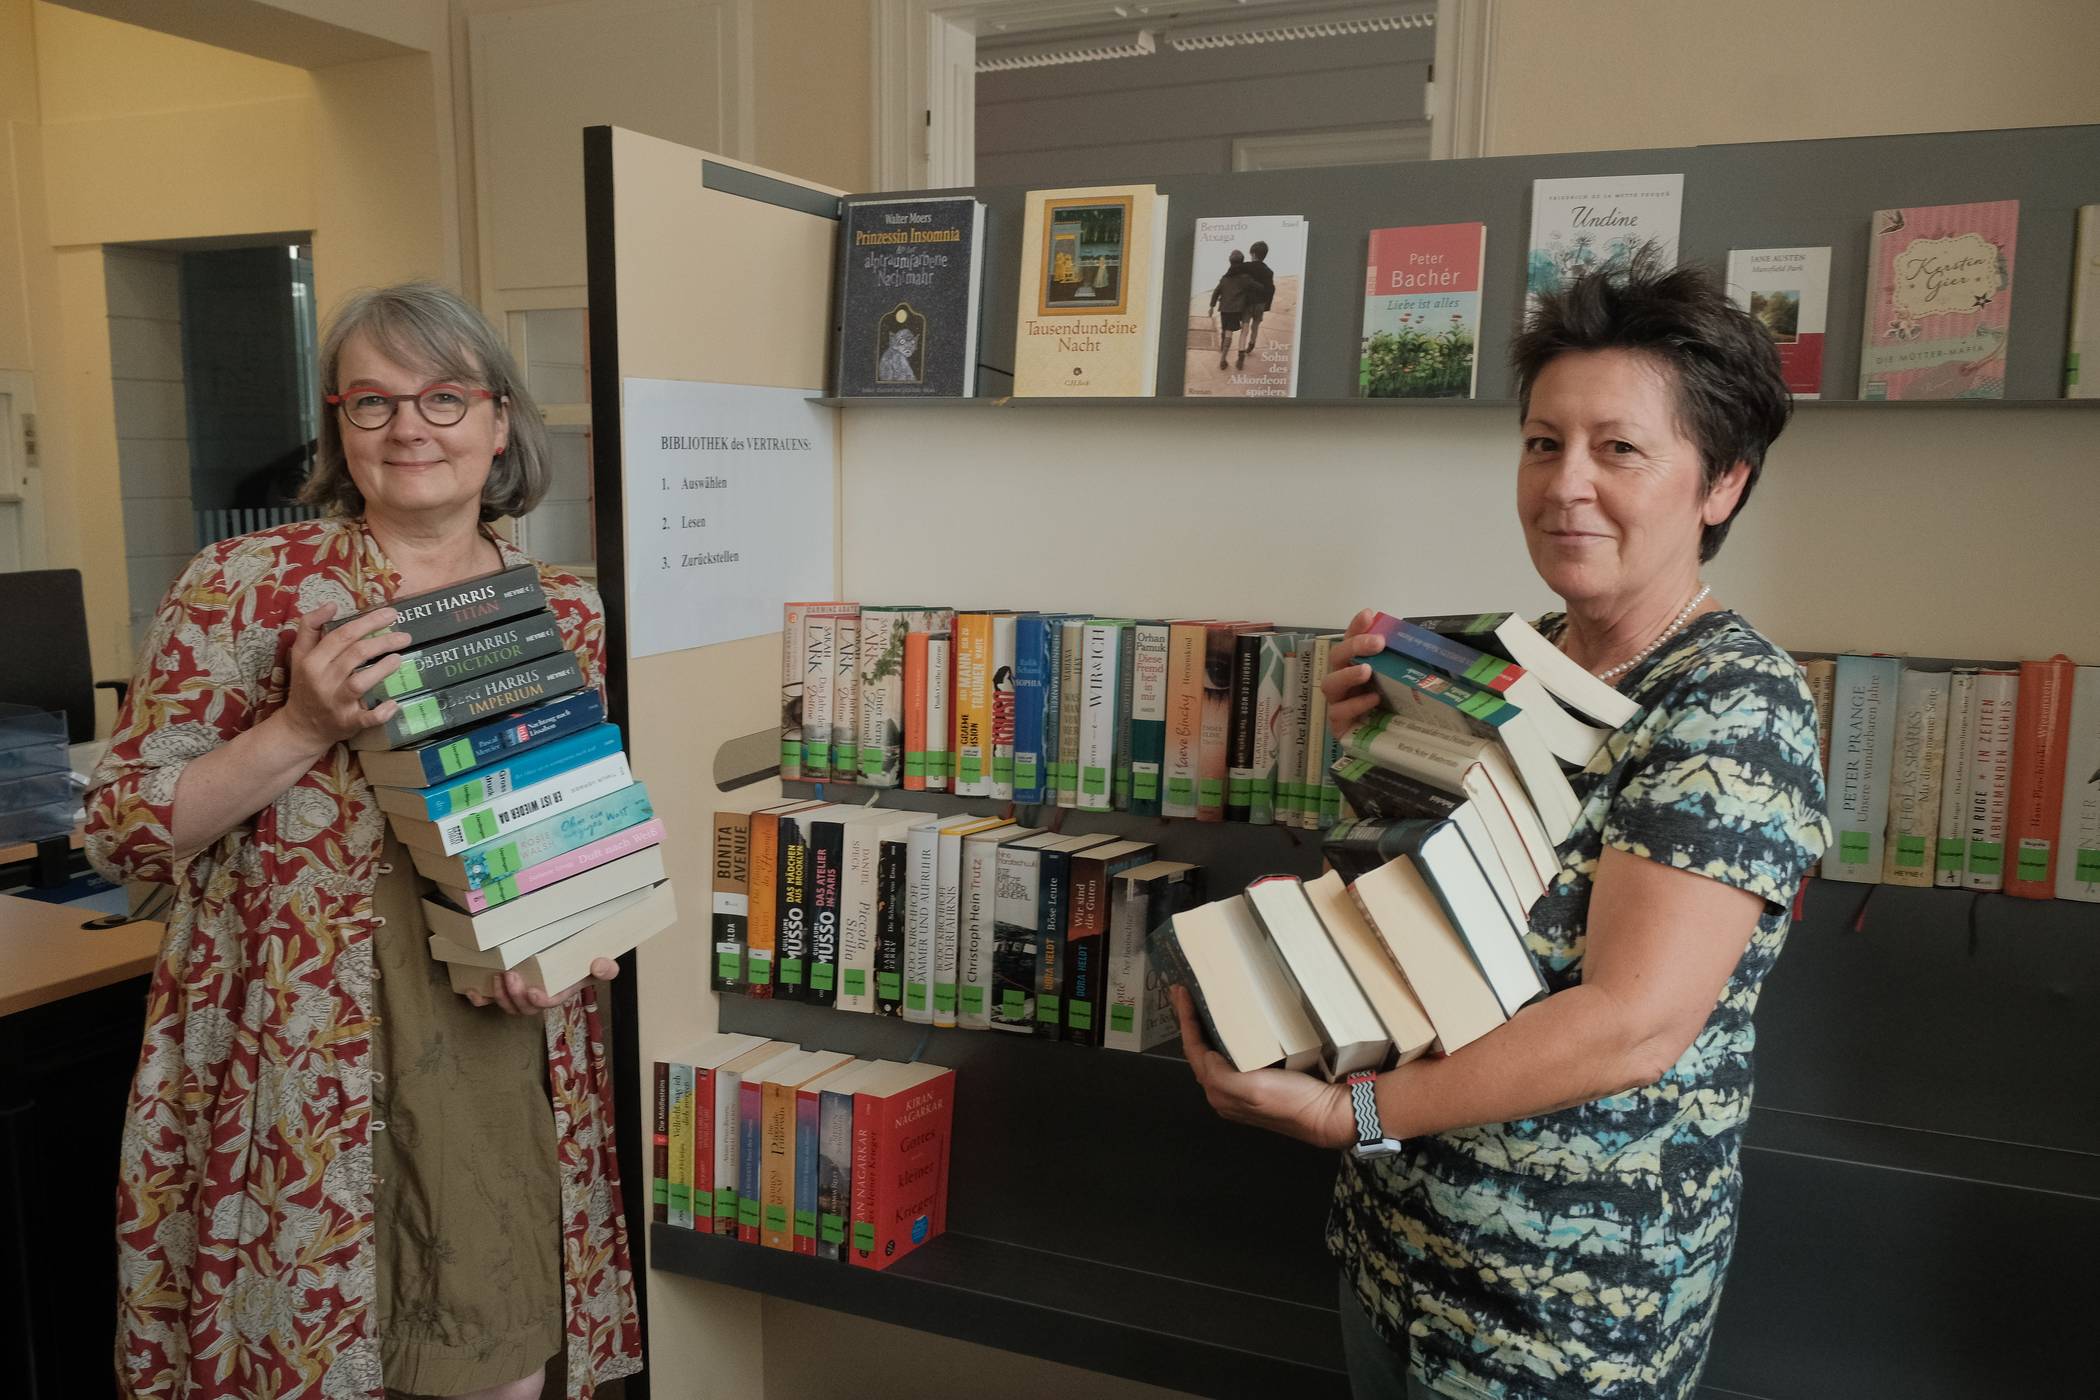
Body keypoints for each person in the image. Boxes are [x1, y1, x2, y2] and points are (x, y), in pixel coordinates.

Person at [1172, 249, 1829, 1400]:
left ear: (1721, 480)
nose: (1565, 482)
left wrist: (1344, 1113)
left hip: (1564, 1316)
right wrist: (1374, 758)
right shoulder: (1501, 655)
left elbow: (1632, 1021)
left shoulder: (1733, 702)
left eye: (1619, 447)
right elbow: (1443, 909)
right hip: (1400, 1256)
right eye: (1542, 441)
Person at [87, 283, 642, 1400]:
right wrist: (298, 726)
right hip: (292, 1051)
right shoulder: (246, 588)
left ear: (497, 422)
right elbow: (120, 832)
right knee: (306, 1357)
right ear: (340, 429)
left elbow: (571, 841)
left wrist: (582, 939)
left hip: (490, 1047)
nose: (410, 428)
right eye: (372, 402)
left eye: (444, 397)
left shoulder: (565, 608)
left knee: (495, 1358)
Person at [1207, 249, 1260, 371]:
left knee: (1225, 330)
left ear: (1230, 262)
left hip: (1224, 309)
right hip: (1235, 310)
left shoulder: (1225, 278)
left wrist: (1211, 306)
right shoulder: (1245, 278)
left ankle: (1223, 347)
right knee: (1229, 334)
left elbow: (1216, 292)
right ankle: (1223, 360)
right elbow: (1257, 287)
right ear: (1242, 263)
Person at [1240, 238, 1276, 364]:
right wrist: (1267, 305)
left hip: (1248, 303)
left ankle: (1242, 350)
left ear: (1253, 254)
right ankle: (1252, 343)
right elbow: (1270, 289)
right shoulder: (1269, 272)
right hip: (1260, 304)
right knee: (1255, 326)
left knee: (1245, 327)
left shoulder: (1245, 267)